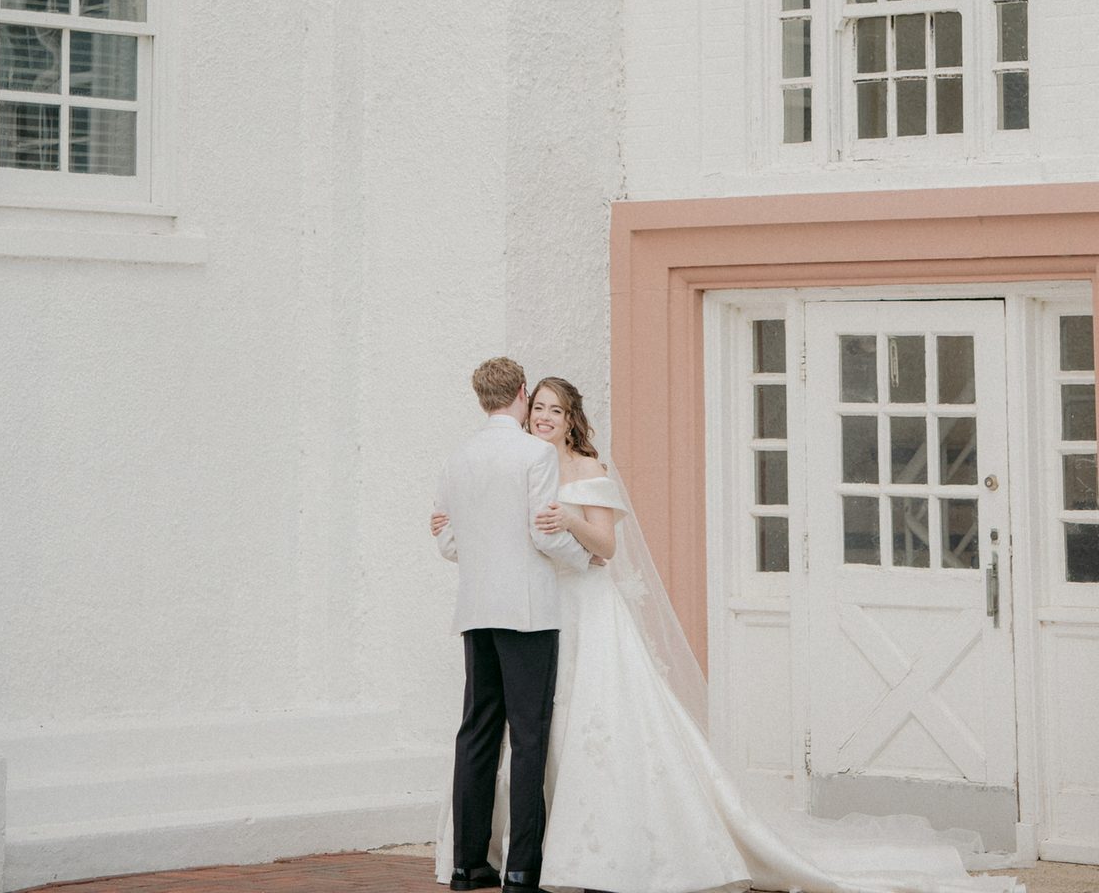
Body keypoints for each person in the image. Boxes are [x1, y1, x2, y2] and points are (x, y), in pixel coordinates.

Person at [433, 376, 1021, 893]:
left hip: (584, 606)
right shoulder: (522, 466)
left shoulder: (590, 469)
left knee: (588, 726)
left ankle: (597, 849)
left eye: (554, 410)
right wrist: (451, 526)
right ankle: (526, 852)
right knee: (539, 733)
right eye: (537, 408)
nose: (543, 418)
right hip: (539, 609)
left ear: (572, 419)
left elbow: (607, 549)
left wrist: (574, 521)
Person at [433, 357, 593, 892]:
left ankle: (466, 864)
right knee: (528, 737)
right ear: (522, 393)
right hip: (527, 614)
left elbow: (449, 540)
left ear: (482, 398)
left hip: (476, 612)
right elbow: (545, 534)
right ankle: (522, 867)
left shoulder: (457, 457)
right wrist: (583, 559)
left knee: (476, 733)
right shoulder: (533, 454)